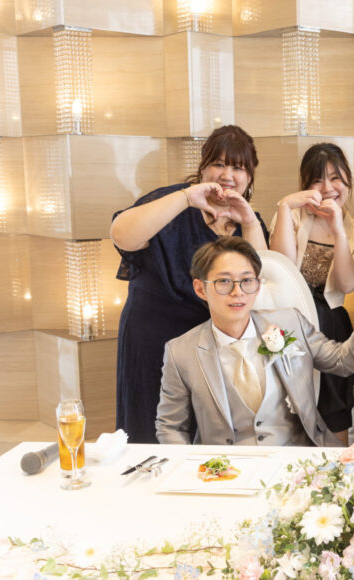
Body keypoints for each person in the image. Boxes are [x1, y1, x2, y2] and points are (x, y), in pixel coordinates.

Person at [110, 125, 269, 443]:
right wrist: (185, 198)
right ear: (203, 167)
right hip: (153, 335)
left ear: (250, 177)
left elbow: (261, 285)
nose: (227, 175)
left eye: (238, 167)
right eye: (218, 164)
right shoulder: (172, 201)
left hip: (211, 347)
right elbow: (121, 235)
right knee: (152, 428)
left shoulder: (249, 220)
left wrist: (249, 220)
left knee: (208, 434)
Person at [155, 237, 354, 446]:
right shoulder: (180, 351)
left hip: (297, 459)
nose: (238, 292)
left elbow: (343, 362)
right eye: (224, 281)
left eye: (247, 280)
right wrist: (191, 470)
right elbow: (170, 427)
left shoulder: (290, 322)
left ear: (258, 285)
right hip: (228, 469)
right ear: (200, 289)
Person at [269, 143, 354, 444]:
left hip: (331, 325)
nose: (327, 188)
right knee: (284, 403)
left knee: (334, 405)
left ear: (348, 180)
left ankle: (338, 463)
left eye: (335, 178)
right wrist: (285, 207)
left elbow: (348, 284)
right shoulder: (292, 214)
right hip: (288, 321)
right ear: (304, 185)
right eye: (317, 180)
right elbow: (281, 267)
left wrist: (338, 230)